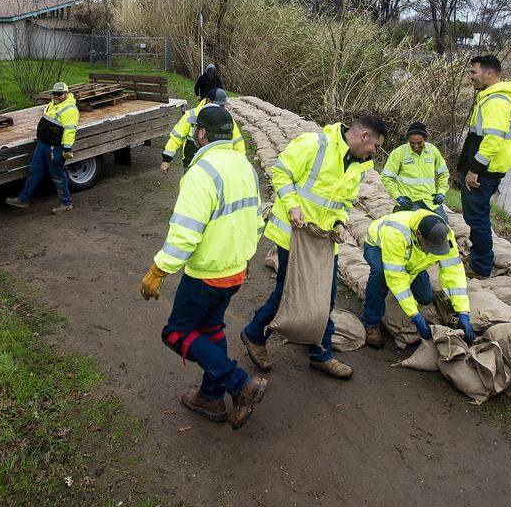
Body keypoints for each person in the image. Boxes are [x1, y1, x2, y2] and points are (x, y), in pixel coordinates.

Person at [140, 106, 267, 430]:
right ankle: (210, 397)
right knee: (211, 330)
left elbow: (184, 233)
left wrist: (159, 270)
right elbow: (255, 222)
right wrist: (245, 259)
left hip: (207, 275)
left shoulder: (201, 173)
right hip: (235, 271)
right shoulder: (245, 166)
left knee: (176, 332)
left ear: (201, 134)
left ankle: (239, 384)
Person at [241, 115, 387, 380]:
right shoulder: (315, 144)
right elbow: (282, 171)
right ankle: (254, 333)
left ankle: (320, 352)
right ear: (364, 136)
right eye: (375, 146)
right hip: (294, 235)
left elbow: (347, 199)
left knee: (325, 296)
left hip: (322, 240)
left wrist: (341, 221)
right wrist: (293, 205)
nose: (374, 152)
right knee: (289, 291)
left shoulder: (359, 165)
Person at [359, 208, 473, 349]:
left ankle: (411, 277)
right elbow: (396, 277)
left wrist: (463, 312)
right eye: (431, 247)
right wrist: (415, 315)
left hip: (414, 260)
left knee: (425, 297)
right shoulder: (396, 233)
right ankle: (371, 320)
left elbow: (454, 273)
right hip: (378, 246)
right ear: (419, 235)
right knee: (381, 274)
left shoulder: (444, 235)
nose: (434, 251)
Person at [456, 54, 511, 278]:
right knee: (477, 215)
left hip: (484, 170)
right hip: (487, 167)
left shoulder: (497, 102)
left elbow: (493, 140)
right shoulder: (491, 97)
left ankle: (481, 266)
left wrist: (474, 169)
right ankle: (479, 257)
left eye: (473, 72)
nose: (470, 77)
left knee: (477, 218)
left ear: (489, 73)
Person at [6, 81, 78, 214]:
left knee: (58, 175)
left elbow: (70, 130)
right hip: (43, 144)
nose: (57, 96)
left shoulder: (70, 109)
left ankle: (66, 203)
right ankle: (23, 199)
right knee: (35, 170)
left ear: (67, 93)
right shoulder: (53, 103)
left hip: (54, 148)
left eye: (60, 94)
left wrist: (67, 149)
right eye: (55, 94)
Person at [161, 88, 245, 171]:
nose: (220, 108)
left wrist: (242, 162)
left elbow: (238, 141)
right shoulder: (191, 115)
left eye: (223, 105)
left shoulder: (226, 118)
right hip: (191, 164)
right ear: (208, 101)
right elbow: (176, 137)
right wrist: (166, 159)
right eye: (218, 105)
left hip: (218, 166)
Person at [381, 122, 449, 222]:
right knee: (418, 224)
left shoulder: (433, 151)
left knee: (442, 223)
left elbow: (443, 173)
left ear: (425, 139)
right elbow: (386, 177)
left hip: (430, 201)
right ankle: (400, 210)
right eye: (412, 143)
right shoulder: (399, 153)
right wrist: (398, 197)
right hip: (410, 202)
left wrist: (441, 192)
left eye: (419, 143)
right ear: (408, 140)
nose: (416, 146)